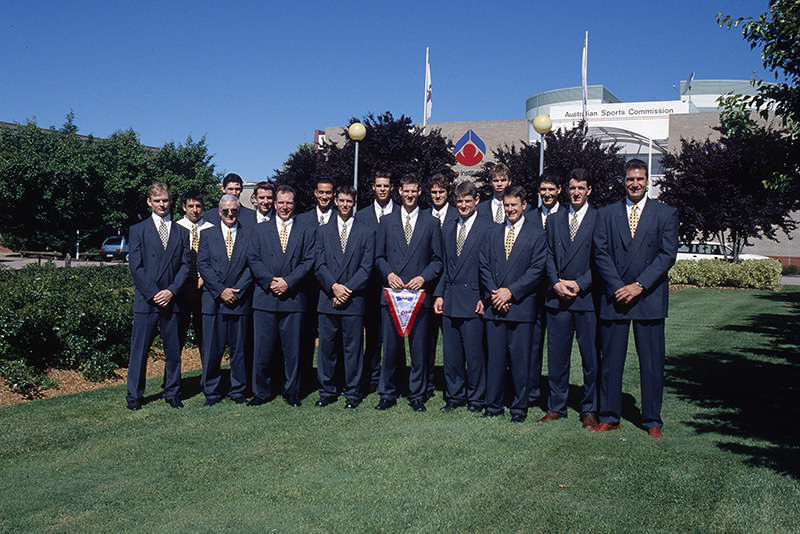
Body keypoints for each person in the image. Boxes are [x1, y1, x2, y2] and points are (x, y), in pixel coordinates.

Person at [591, 159, 679, 439]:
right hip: (616, 297)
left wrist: (639, 285)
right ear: (623, 181)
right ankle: (609, 416)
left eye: (640, 179)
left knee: (652, 363)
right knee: (610, 363)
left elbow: (667, 255)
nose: (635, 184)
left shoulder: (665, 214)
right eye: (630, 179)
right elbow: (601, 254)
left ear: (648, 181)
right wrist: (621, 287)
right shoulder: (606, 214)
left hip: (648, 297)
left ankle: (652, 419)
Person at [375, 173, 443, 412]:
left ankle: (417, 394)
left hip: (418, 297)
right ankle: (387, 393)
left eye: (414, 191)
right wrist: (389, 274)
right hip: (392, 297)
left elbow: (437, 260)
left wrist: (423, 277)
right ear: (399, 192)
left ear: (420, 192)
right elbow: (378, 257)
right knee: (391, 349)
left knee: (419, 350)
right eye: (406, 191)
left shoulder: (431, 222)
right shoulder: (386, 221)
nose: (410, 195)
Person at [538, 169, 600, 429]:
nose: (576, 192)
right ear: (567, 189)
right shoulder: (554, 220)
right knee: (557, 357)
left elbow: (602, 259)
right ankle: (556, 406)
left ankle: (589, 409)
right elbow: (548, 255)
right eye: (573, 187)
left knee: (590, 358)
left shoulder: (599, 218)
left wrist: (581, 283)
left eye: (581, 188)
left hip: (586, 299)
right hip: (558, 298)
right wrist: (555, 283)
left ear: (589, 191)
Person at [479, 185, 546, 423]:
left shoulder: (537, 234)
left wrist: (511, 293)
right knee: (494, 359)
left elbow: (537, 269)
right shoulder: (491, 233)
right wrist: (496, 295)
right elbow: (484, 266)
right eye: (506, 205)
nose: (510, 210)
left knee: (521, 361)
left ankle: (519, 407)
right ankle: (493, 404)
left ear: (524, 206)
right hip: (495, 307)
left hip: (522, 307)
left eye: (514, 205)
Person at [246, 185, 315, 407]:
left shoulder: (305, 230)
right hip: (265, 298)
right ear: (274, 204)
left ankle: (292, 391)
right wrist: (270, 281)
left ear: (294, 205)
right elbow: (253, 259)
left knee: (293, 350)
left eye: (289, 203)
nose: (285, 207)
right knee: (262, 350)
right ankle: (262, 392)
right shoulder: (258, 230)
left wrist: (289, 282)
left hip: (293, 298)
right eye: (281, 203)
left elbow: (308, 261)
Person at [126, 183, 190, 410]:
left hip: (173, 300)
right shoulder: (138, 230)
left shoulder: (182, 232)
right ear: (149, 202)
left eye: (165, 200)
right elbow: (136, 267)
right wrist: (154, 293)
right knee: (139, 350)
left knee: (173, 350)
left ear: (170, 201)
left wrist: (171, 291)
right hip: (147, 300)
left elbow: (185, 266)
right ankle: (134, 395)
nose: (162, 204)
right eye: (157, 201)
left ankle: (172, 392)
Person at [313, 185, 376, 409]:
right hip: (328, 298)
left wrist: (345, 290)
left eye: (349, 201)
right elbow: (318, 265)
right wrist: (334, 287)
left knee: (353, 349)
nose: (345, 204)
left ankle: (352, 393)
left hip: (353, 300)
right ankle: (327, 391)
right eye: (341, 200)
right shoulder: (322, 231)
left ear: (355, 203)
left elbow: (366, 268)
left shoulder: (367, 232)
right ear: (336, 202)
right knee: (327, 349)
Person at [433, 181, 492, 412]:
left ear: (476, 201)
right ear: (454, 202)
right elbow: (445, 266)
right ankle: (454, 396)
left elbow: (490, 267)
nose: (464, 205)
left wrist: (485, 297)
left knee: (474, 354)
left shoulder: (488, 228)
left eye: (468, 201)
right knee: (452, 354)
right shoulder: (448, 227)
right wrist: (439, 294)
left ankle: (477, 399)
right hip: (450, 298)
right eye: (460, 201)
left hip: (474, 299)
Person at [196, 195, 253, 406]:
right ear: (219, 212)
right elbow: (204, 265)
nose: (230, 214)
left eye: (234, 211)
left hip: (239, 300)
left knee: (239, 350)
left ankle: (238, 389)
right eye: (226, 211)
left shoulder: (249, 234)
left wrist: (236, 292)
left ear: (239, 212)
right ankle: (211, 391)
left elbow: (251, 266)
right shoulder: (207, 235)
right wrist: (221, 291)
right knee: (212, 350)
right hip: (214, 301)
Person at [354, 170, 398, 393]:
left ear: (392, 188)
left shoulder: (401, 213)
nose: (382, 189)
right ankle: (371, 378)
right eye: (378, 185)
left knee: (395, 335)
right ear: (372, 187)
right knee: (372, 335)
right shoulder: (361, 216)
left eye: (386, 185)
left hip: (396, 286)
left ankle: (395, 377)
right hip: (370, 285)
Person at [526, 174, 562, 409]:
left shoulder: (568, 216)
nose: (546, 193)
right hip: (532, 293)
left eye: (551, 189)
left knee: (558, 348)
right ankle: (531, 394)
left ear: (559, 190)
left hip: (559, 292)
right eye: (542, 189)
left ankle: (557, 398)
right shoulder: (529, 217)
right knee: (532, 346)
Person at [422, 173, 458, 400]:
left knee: (452, 344)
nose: (437, 196)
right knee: (426, 341)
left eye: (441, 192)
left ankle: (452, 386)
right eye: (434, 192)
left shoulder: (457, 216)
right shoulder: (423, 217)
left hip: (451, 290)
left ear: (449, 194)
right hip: (426, 289)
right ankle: (425, 385)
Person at [175, 190, 214, 350]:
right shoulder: (176, 228)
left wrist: (203, 277)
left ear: (203, 207)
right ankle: (172, 376)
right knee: (177, 337)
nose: (195, 210)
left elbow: (214, 260)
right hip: (182, 288)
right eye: (191, 206)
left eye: (198, 206)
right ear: (184, 207)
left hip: (204, 287)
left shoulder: (211, 228)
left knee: (205, 337)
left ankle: (208, 375)